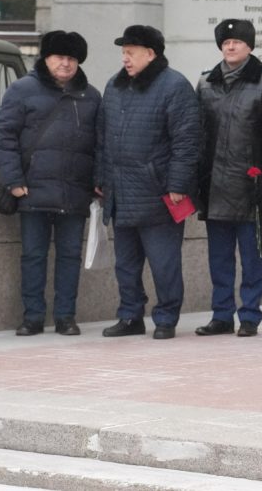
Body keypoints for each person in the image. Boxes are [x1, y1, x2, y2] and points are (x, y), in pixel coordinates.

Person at [96, 25, 200, 340]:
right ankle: (130, 315)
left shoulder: (174, 86)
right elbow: (102, 137)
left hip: (158, 193)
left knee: (163, 263)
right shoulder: (114, 86)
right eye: (123, 52)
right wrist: (100, 177)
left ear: (150, 53)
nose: (125, 58)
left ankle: (166, 317)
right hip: (120, 190)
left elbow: (187, 141)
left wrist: (178, 185)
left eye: (131, 52)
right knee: (125, 264)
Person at [0, 31, 100, 336]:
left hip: (74, 190)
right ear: (46, 59)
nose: (65, 64)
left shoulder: (91, 96)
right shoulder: (22, 89)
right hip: (33, 189)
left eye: (71, 59)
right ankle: (33, 316)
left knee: (69, 257)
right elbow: (5, 138)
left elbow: (100, 143)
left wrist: (97, 182)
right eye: (59, 58)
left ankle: (66, 316)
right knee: (33, 255)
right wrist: (13, 180)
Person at [195, 19, 262, 339]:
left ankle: (249, 314)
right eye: (226, 42)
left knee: (251, 256)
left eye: (237, 42)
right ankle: (221, 314)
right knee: (218, 257)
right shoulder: (206, 83)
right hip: (214, 185)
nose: (230, 47)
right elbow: (198, 136)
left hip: (249, 186)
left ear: (250, 46)